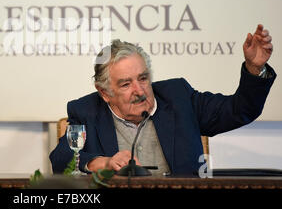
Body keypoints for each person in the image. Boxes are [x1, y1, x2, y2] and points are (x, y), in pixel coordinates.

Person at [50, 24, 276, 176]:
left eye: (143, 78)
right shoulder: (87, 111)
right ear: (105, 93)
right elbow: (62, 158)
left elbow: (240, 110)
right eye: (126, 84)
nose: (139, 90)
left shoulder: (179, 97)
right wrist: (103, 163)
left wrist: (255, 69)